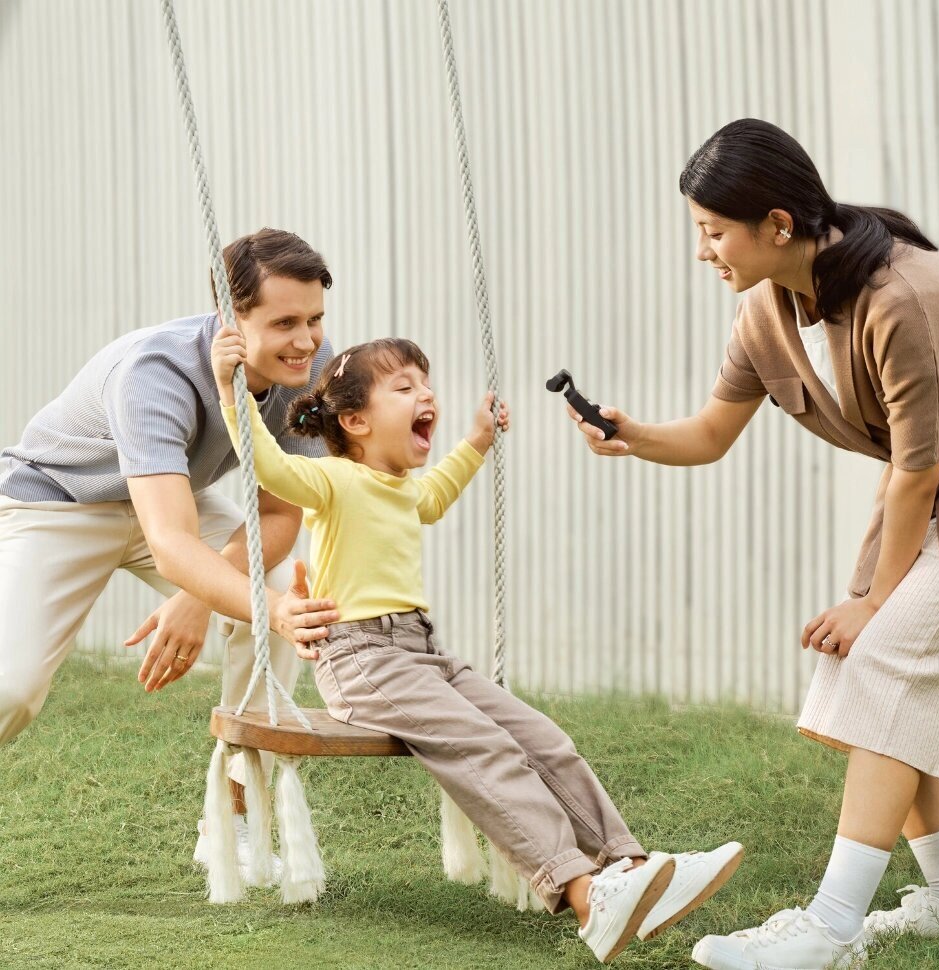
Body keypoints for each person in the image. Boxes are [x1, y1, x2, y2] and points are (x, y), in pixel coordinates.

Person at [567, 118, 939, 969]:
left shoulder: (902, 298)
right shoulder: (766, 310)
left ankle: (831, 930)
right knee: (874, 675)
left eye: (714, 232)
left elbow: (918, 471)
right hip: (936, 491)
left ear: (778, 225)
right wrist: (633, 435)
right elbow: (712, 433)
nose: (702, 251)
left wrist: (873, 602)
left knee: (884, 659)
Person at [212, 330, 744, 963]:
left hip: (421, 654)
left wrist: (476, 442)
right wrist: (231, 392)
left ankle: (626, 867)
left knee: (543, 738)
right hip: (361, 660)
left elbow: (436, 495)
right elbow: (269, 466)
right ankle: (584, 895)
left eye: (426, 383)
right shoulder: (332, 481)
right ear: (355, 421)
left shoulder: (403, 489)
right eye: (404, 387)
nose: (425, 394)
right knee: (487, 748)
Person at [0, 227, 339, 884]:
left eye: (315, 319)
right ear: (232, 319)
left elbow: (280, 513)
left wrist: (199, 598)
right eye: (285, 323)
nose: (306, 341)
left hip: (171, 498)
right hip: (59, 502)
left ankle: (234, 816)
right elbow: (172, 543)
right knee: (10, 689)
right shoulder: (155, 373)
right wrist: (210, 590)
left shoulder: (310, 368)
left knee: (275, 587)